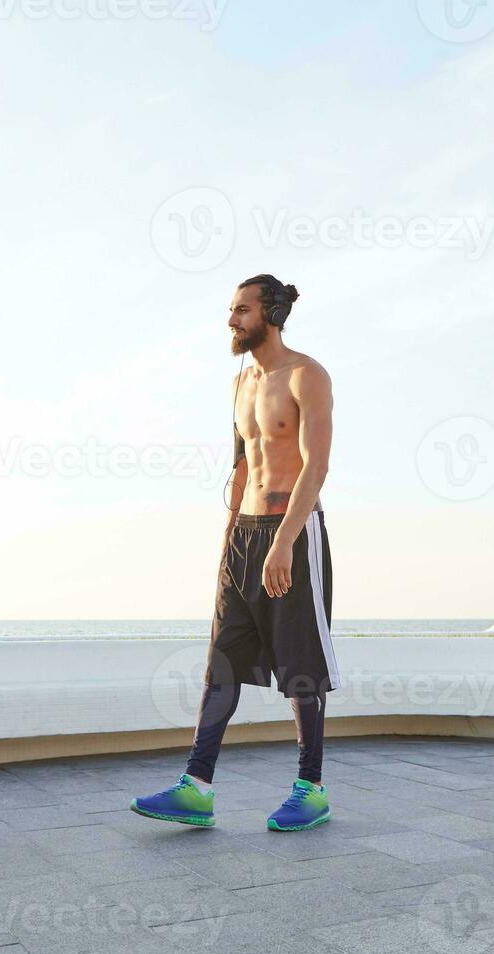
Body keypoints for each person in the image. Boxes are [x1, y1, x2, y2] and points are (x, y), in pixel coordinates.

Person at [131, 273, 337, 831]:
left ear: (269, 312)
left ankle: (311, 789)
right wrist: (229, 544)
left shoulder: (306, 375)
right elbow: (241, 465)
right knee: (220, 663)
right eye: (230, 309)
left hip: (290, 532)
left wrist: (285, 542)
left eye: (242, 309)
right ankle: (197, 788)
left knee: (300, 668)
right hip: (244, 535)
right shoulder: (241, 382)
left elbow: (315, 467)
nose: (231, 319)